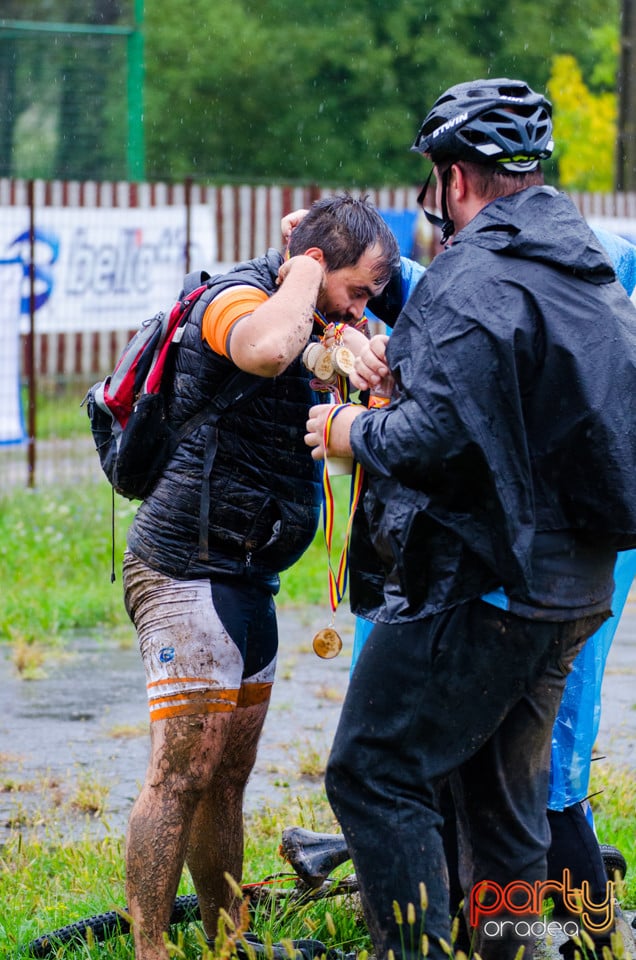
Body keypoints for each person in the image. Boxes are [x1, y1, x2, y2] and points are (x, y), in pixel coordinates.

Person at [304, 79, 636, 960]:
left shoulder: (475, 271)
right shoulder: (586, 271)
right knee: (504, 808)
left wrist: (348, 423)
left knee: (374, 774)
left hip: (484, 585)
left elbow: (433, 435)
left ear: (455, 179)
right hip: (573, 592)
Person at [121, 193, 400, 960]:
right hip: (183, 565)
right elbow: (266, 351)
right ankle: (148, 948)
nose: (363, 305)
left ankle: (227, 938)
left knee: (228, 776)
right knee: (182, 773)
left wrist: (352, 343)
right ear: (316, 265)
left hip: (249, 577)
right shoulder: (237, 299)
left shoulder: (312, 317)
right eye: (359, 288)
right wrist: (307, 274)